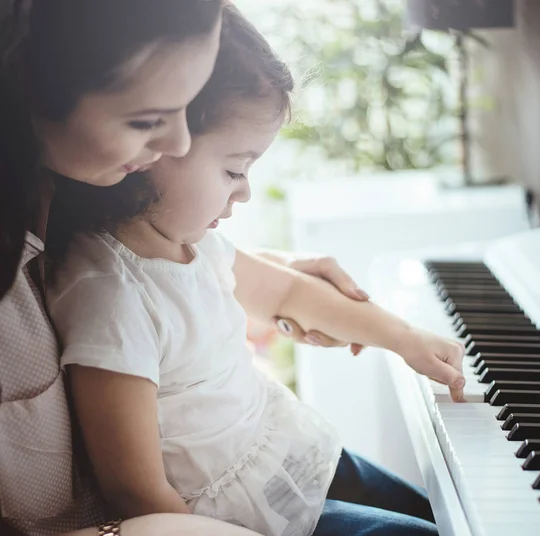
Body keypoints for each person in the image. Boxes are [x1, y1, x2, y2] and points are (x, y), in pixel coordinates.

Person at [45, 4, 466, 536]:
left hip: (291, 453)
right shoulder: (110, 295)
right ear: (155, 147)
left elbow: (289, 293)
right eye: (234, 169)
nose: (243, 190)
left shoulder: (196, 246)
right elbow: (135, 490)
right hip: (241, 517)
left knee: (448, 516)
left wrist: (404, 339)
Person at [0, 2, 371, 534]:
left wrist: (251, 273)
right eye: (147, 120)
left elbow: (156, 271)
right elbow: (134, 492)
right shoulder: (96, 290)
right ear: (33, 89)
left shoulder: (76, 186)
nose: (176, 145)